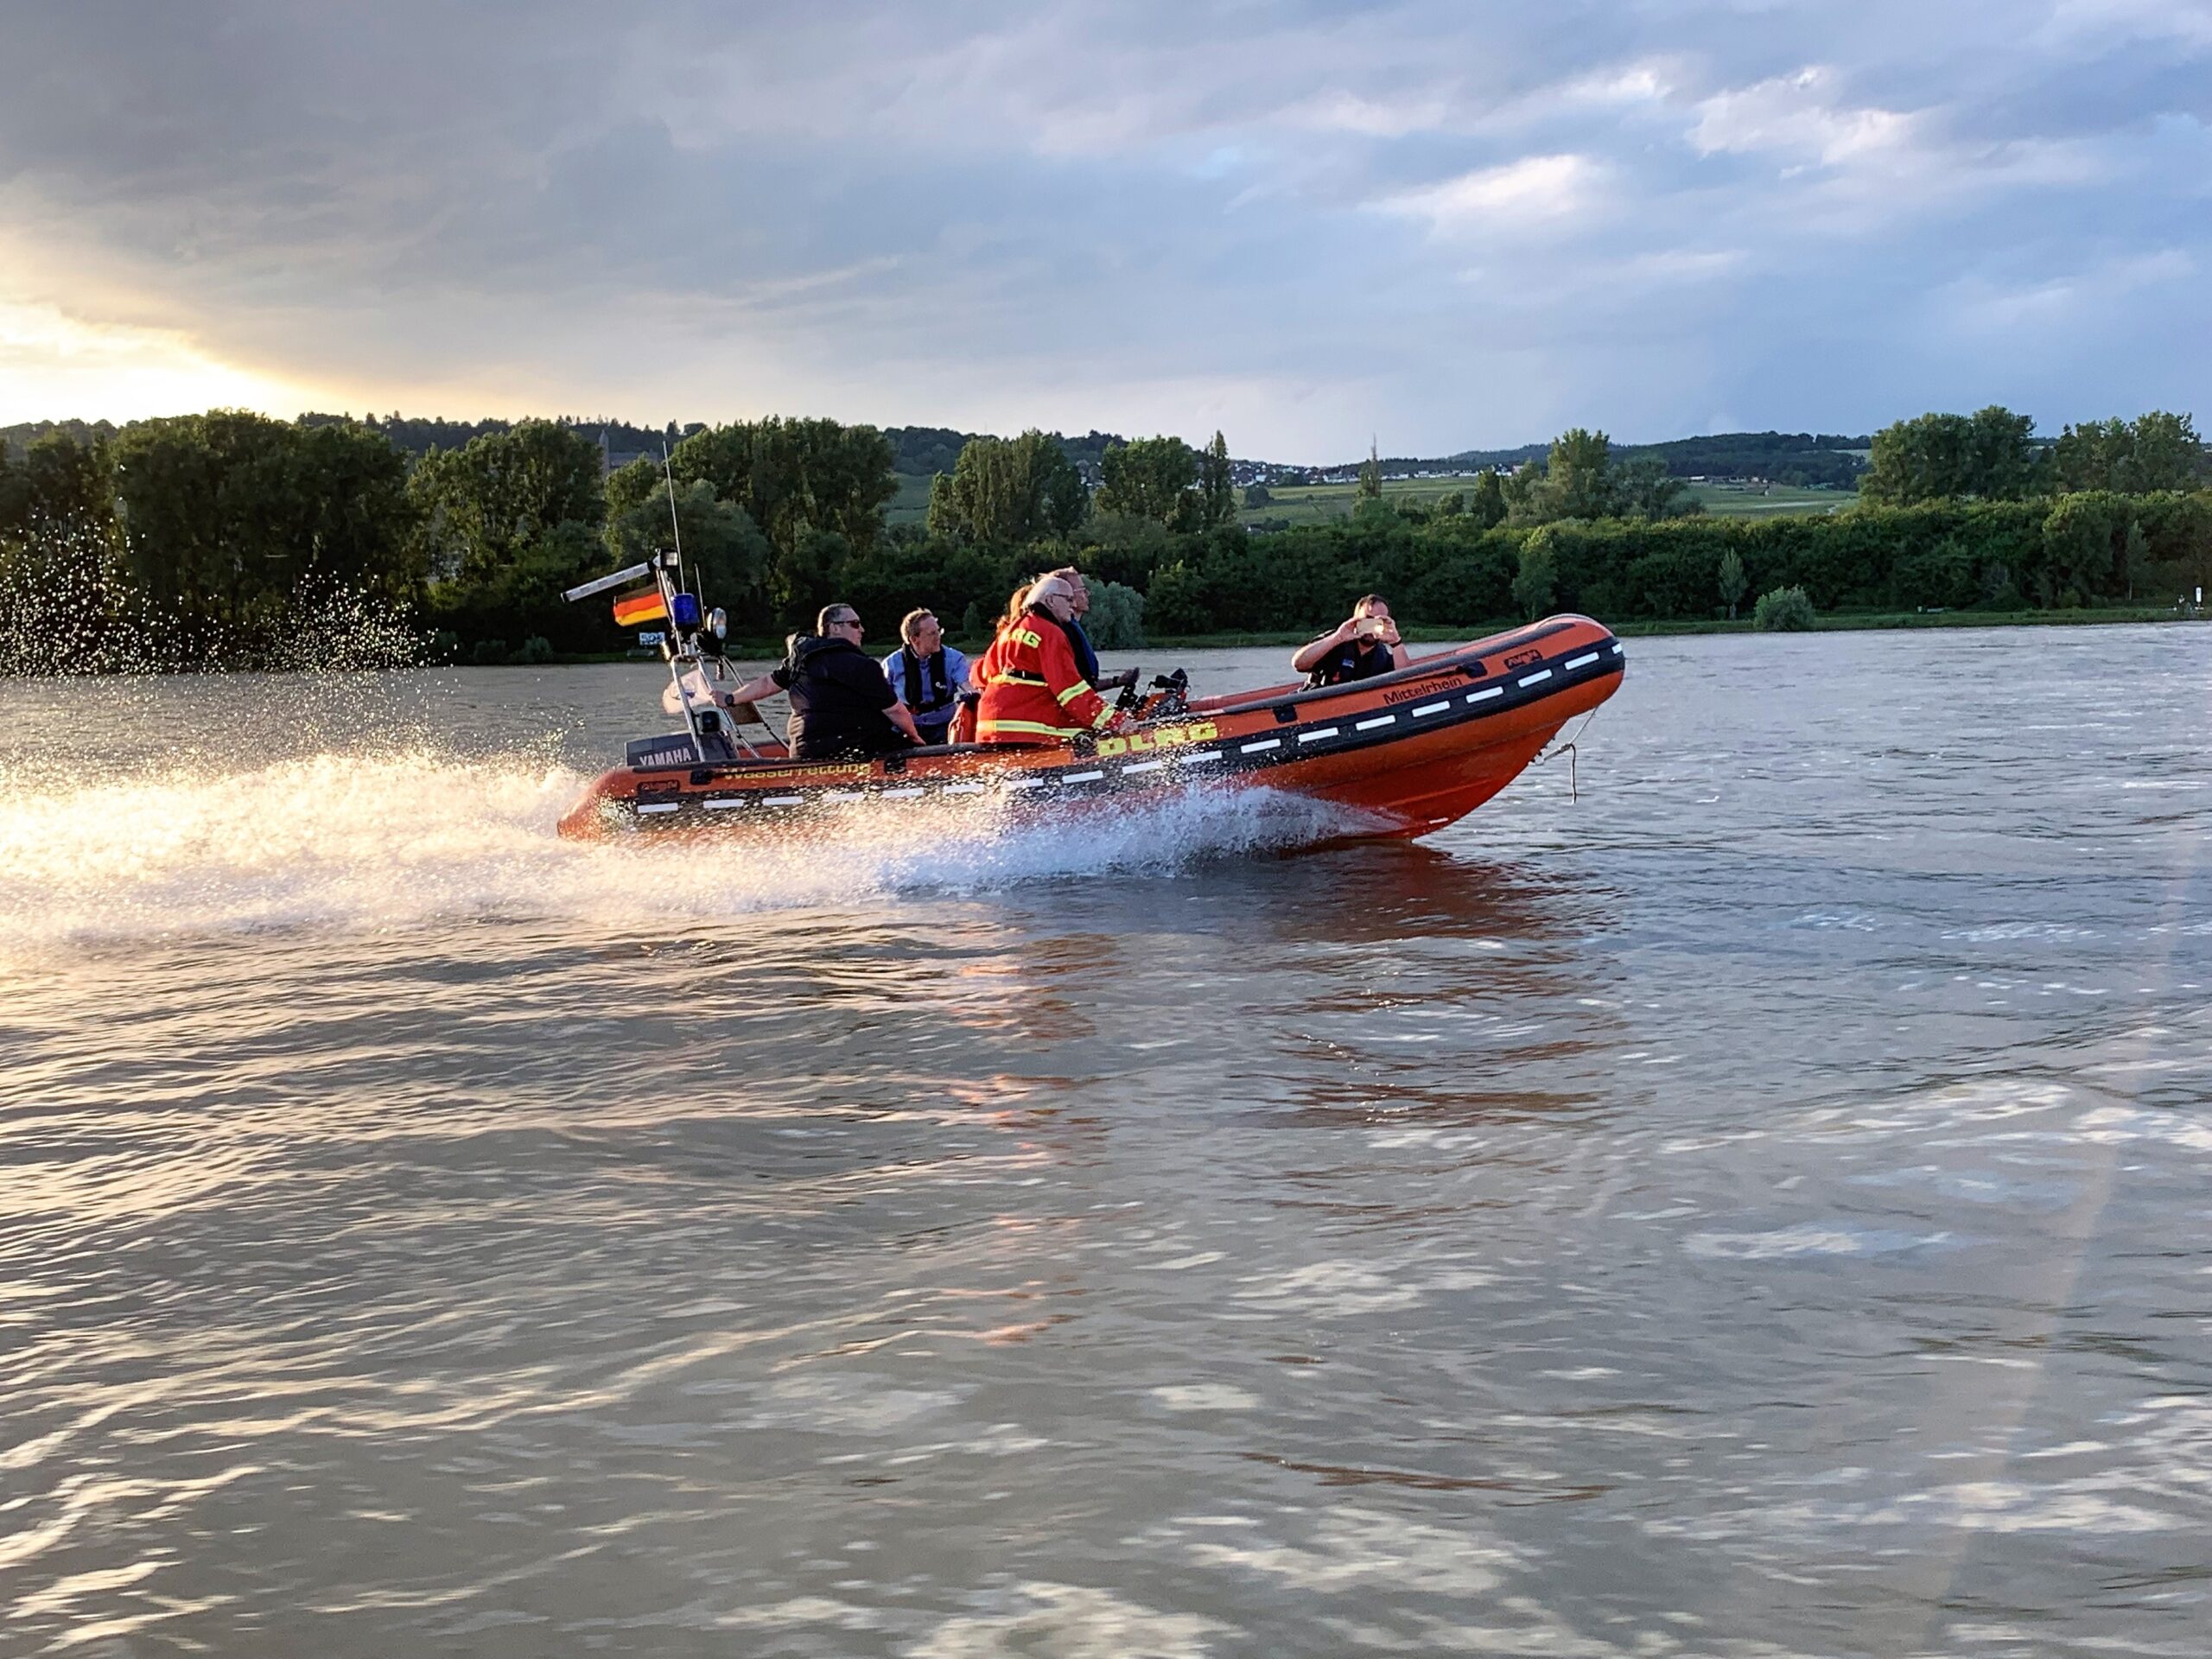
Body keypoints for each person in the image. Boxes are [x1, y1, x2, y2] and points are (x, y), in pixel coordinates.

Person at [724, 603, 920, 760]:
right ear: (834, 628)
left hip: (805, 749)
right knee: (901, 742)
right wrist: (914, 738)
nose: (862, 629)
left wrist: (730, 698)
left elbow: (767, 684)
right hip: (851, 748)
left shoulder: (800, 659)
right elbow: (894, 710)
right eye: (855, 624)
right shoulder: (862, 665)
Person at [974, 575, 1128, 746]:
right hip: (1028, 728)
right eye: (1069, 599)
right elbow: (1070, 691)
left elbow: (980, 675)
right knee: (1087, 734)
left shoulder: (1010, 631)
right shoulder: (1050, 633)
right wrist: (1116, 722)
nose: (1073, 605)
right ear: (1050, 600)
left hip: (990, 726)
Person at [1042, 566, 1138, 695]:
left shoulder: (1071, 628)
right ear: (1067, 594)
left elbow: (1086, 682)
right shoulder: (1063, 632)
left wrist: (1118, 681)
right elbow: (1073, 685)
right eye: (1082, 590)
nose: (1087, 594)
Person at [881, 608, 970, 746]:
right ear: (914, 639)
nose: (938, 637)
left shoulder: (954, 658)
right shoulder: (892, 664)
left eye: (938, 631)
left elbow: (966, 684)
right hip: (906, 727)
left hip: (944, 725)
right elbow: (881, 697)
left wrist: (972, 694)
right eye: (932, 634)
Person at [1292, 594, 1412, 687]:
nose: (1371, 626)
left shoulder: (1383, 657)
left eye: (1378, 622)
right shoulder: (1334, 642)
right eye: (1367, 620)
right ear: (1355, 619)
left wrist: (1396, 643)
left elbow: (1407, 684)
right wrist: (1337, 638)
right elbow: (1299, 664)